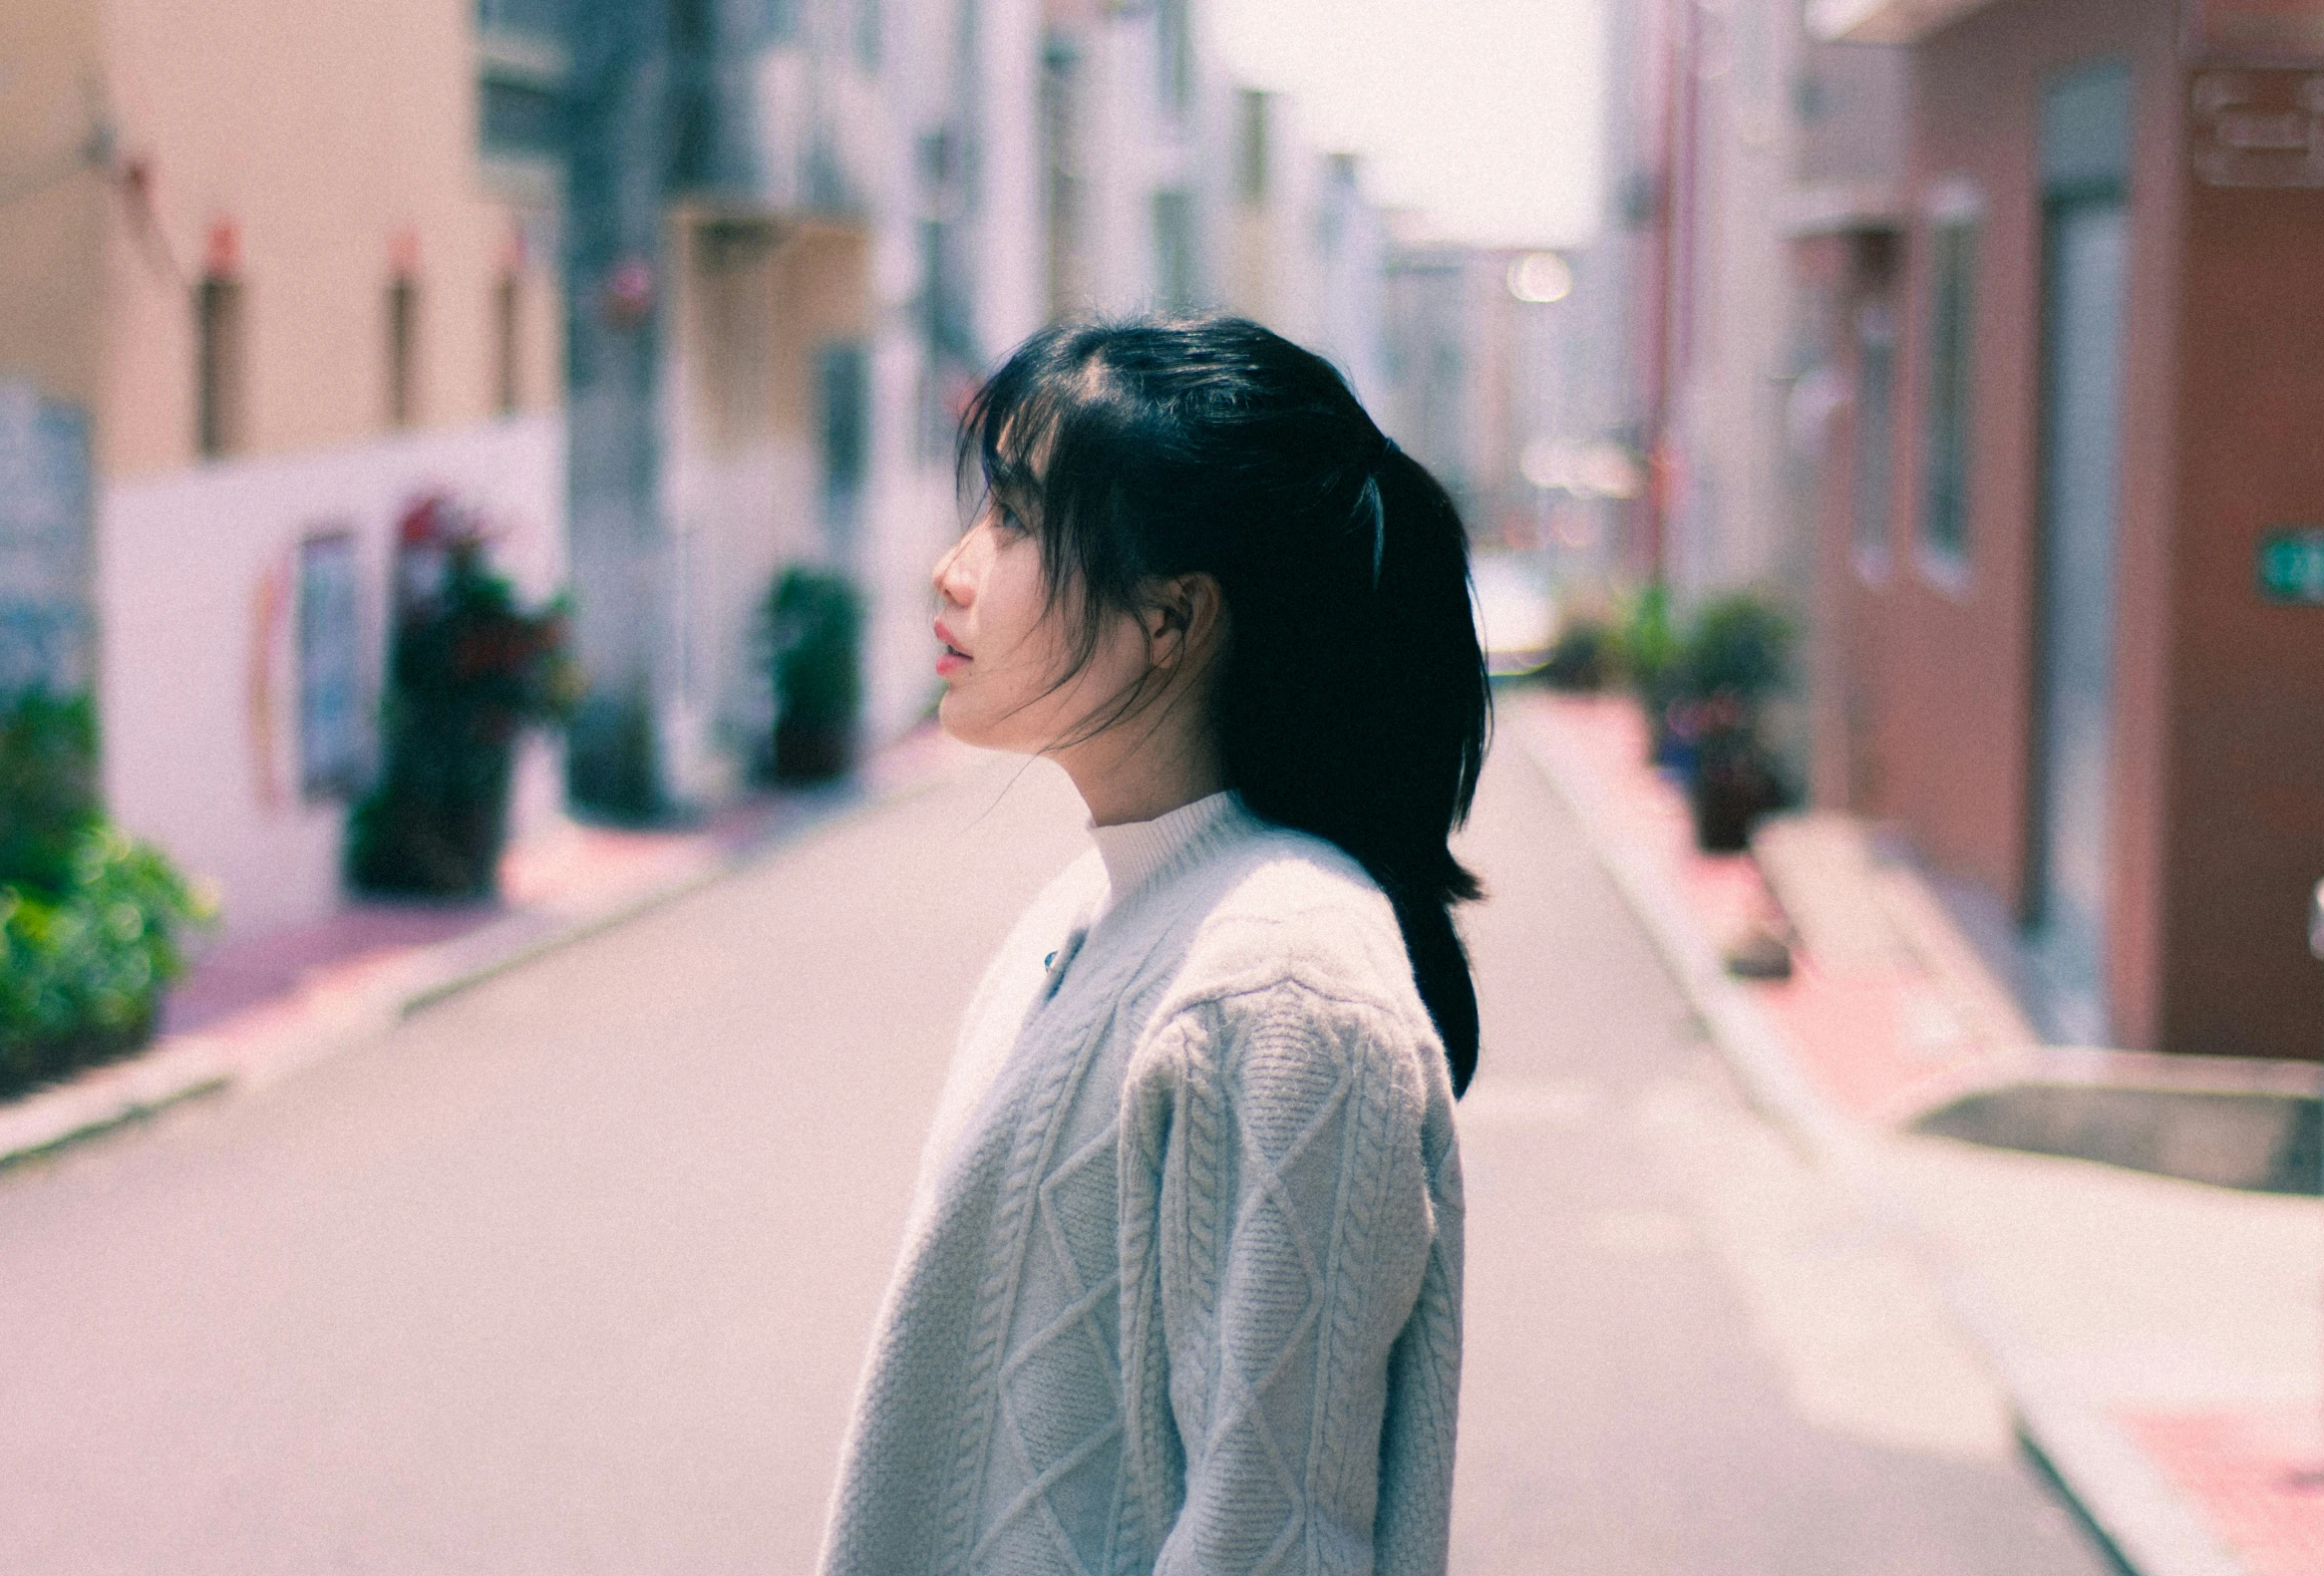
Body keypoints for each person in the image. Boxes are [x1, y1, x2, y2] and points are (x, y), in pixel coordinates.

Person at [819, 315, 1487, 1576]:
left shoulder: (1283, 982)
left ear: (1172, 618)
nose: (953, 571)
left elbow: (1274, 1542)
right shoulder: (1091, 907)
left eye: (1014, 522)